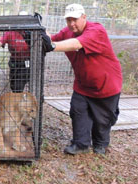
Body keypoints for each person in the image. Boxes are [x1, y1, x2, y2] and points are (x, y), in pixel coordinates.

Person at [44, 4, 122, 155]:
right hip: (82, 84)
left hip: (106, 85)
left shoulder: (96, 30)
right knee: (78, 111)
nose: (72, 23)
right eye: (69, 20)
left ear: (84, 17)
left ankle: (100, 144)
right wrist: (40, 30)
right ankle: (80, 144)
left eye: (75, 19)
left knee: (103, 118)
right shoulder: (67, 31)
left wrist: (52, 46)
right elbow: (50, 38)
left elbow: (76, 44)